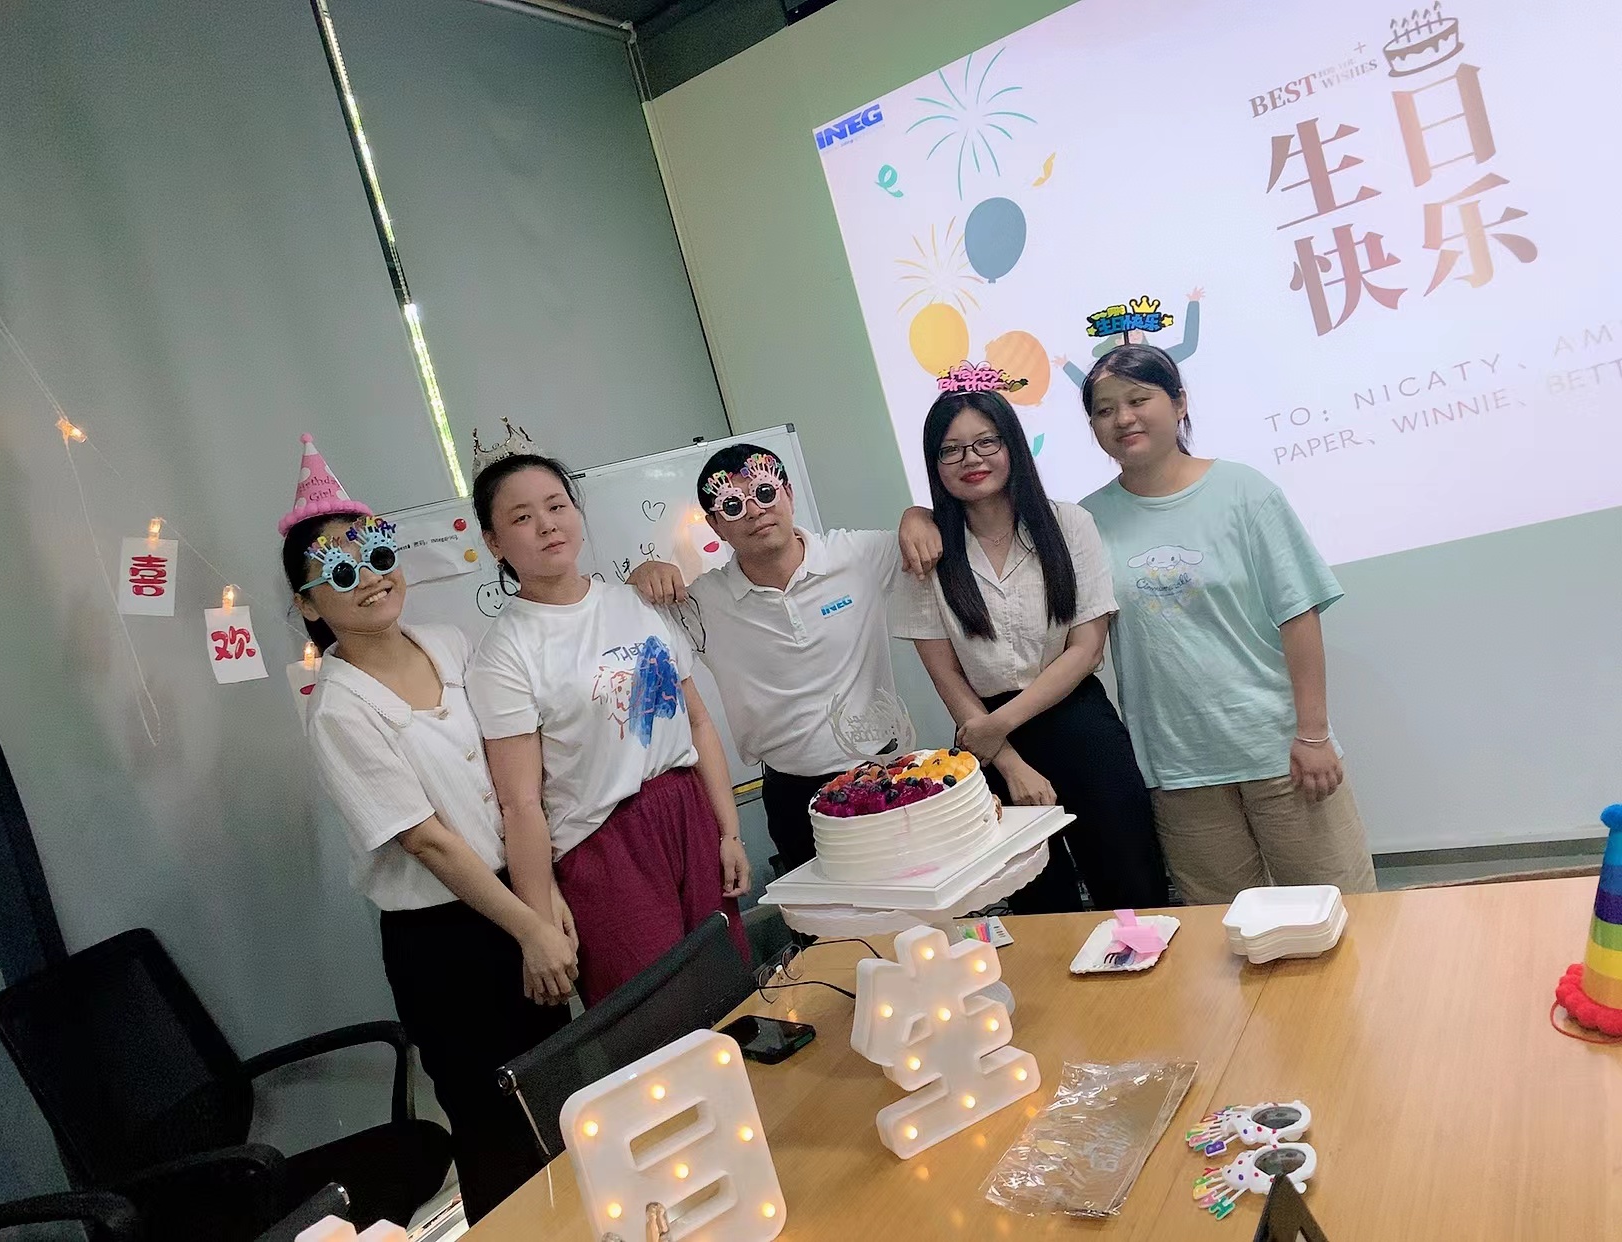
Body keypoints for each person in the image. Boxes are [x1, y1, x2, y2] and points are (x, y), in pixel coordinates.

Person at [281, 435, 569, 1223]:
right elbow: (429, 841)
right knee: (491, 1124)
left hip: (519, 895)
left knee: (556, 1092)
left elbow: (513, 780)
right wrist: (532, 928)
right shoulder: (339, 708)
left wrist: (543, 898)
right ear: (308, 603)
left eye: (377, 556)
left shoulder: (448, 644)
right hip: (446, 944)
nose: (371, 578)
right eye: (341, 573)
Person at [1078, 344, 1377, 905]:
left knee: (1345, 913)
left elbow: (1299, 613)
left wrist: (1313, 734)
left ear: (1179, 403)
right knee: (1223, 932)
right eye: (1104, 409)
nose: (1123, 418)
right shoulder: (1085, 521)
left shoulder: (1244, 491)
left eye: (1138, 400)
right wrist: (920, 516)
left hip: (1281, 753)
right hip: (1178, 770)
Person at [467, 450, 751, 1007]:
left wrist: (728, 832)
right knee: (656, 1017)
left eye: (557, 506)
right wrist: (539, 915)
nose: (546, 524)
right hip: (603, 847)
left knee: (731, 993)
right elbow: (520, 804)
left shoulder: (636, 603)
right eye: (522, 517)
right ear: (494, 543)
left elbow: (697, 721)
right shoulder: (505, 652)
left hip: (688, 812)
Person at [891, 367, 1170, 913]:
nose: (971, 460)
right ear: (935, 464)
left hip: (1078, 724)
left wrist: (995, 727)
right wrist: (1008, 760)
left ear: (1011, 446)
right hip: (992, 745)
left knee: (1133, 892)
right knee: (1040, 908)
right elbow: (944, 672)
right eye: (951, 451)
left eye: (985, 442)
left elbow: (1086, 650)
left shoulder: (1068, 524)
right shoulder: (927, 551)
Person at [627, 444, 942, 875]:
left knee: (918, 895)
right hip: (794, 796)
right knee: (830, 916)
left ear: (788, 494)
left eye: (765, 493)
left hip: (886, 773)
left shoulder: (857, 556)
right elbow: (623, 626)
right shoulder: (703, 603)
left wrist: (917, 514)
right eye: (733, 506)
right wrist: (641, 576)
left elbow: (932, 536)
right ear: (716, 525)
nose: (755, 511)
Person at [1055, 286, 1205, 389]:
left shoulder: (1155, 359)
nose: (1132, 336)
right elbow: (1087, 385)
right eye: (1128, 335)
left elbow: (1188, 346)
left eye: (1137, 333)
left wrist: (1193, 304)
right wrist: (1067, 366)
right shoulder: (1109, 369)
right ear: (1116, 342)